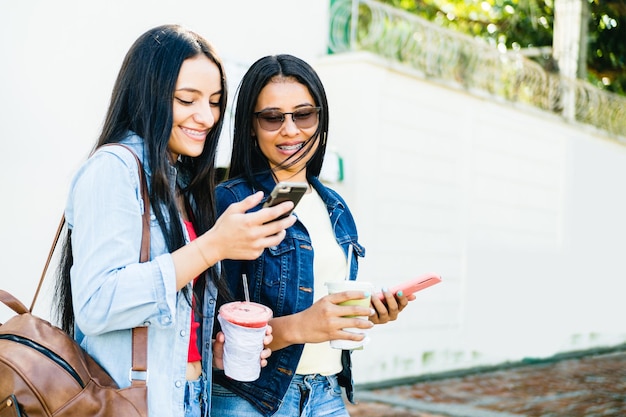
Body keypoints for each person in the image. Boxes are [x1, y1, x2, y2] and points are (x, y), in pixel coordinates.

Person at [53, 25, 297, 417]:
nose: (207, 117)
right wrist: (213, 246)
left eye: (216, 102)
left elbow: (175, 320)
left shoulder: (182, 182)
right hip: (134, 402)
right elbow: (97, 303)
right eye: (187, 100)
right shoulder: (113, 170)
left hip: (189, 395)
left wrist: (211, 353)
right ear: (147, 94)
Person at [211, 54, 414, 417]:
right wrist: (302, 326)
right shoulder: (232, 202)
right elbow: (210, 331)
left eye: (303, 114)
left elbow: (326, 301)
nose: (290, 130)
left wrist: (369, 310)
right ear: (251, 129)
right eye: (272, 118)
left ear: (320, 122)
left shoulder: (335, 206)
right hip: (251, 398)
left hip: (326, 392)